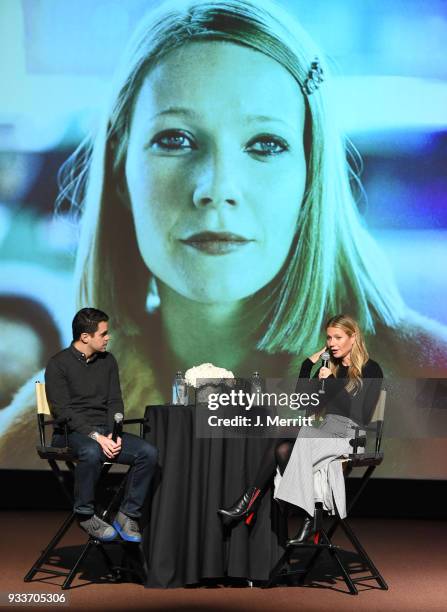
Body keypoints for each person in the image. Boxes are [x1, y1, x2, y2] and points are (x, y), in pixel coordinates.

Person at [1, 0, 446, 471]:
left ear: (310, 179)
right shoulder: (36, 440)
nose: (215, 189)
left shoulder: (428, 392)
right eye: (175, 139)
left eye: (265, 144)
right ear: (119, 173)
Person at [219, 314, 383, 543]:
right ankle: (310, 518)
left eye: (338, 337)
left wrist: (333, 386)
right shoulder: (329, 368)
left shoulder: (371, 369)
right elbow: (302, 401)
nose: (332, 343)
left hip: (350, 436)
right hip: (325, 431)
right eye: (328, 338)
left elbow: (362, 415)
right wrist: (308, 365)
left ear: (353, 337)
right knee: (282, 451)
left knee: (284, 431)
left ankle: (249, 501)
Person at [46, 308, 158, 542]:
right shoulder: (58, 364)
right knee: (91, 449)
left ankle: (127, 514)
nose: (108, 338)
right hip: (70, 433)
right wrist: (97, 436)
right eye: (103, 333)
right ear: (85, 337)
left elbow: (114, 401)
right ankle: (85, 514)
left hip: (104, 431)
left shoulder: (108, 361)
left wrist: (114, 434)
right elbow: (63, 412)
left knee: (148, 452)